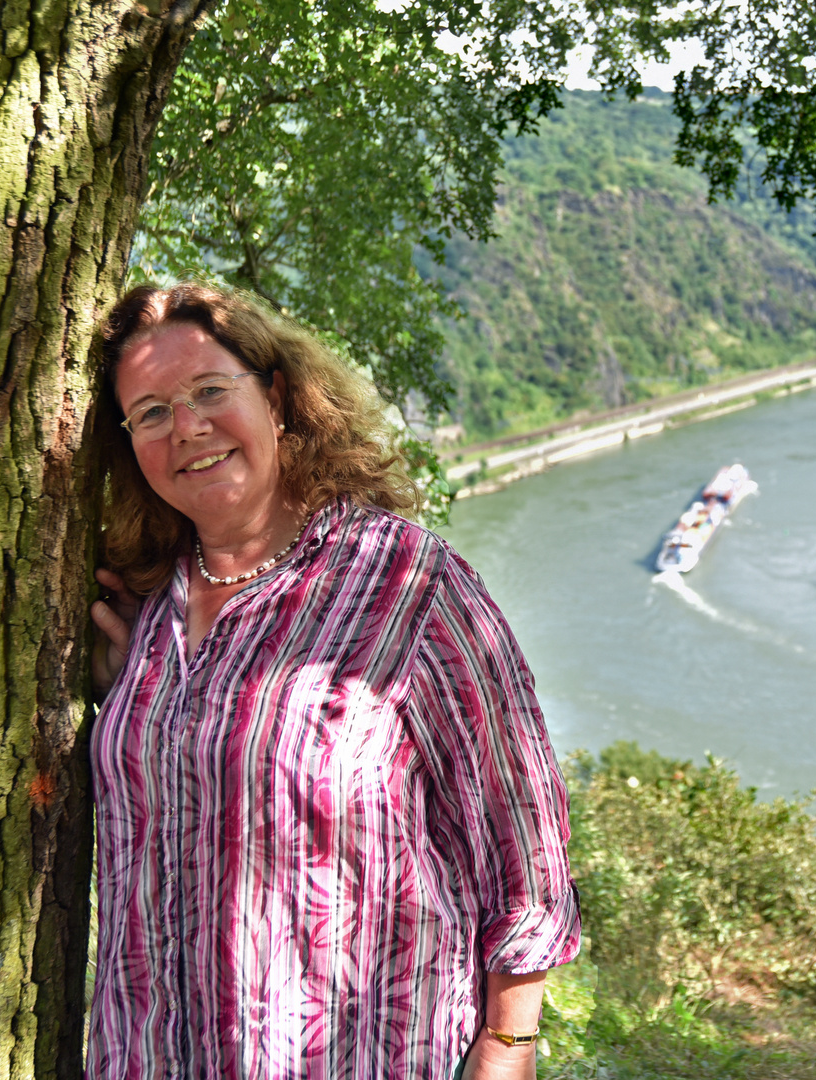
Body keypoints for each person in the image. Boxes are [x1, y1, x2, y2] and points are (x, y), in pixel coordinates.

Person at [86, 283, 580, 1080]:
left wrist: (509, 1045)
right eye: (150, 413)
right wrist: (129, 706)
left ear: (275, 396)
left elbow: (520, 837)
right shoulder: (143, 608)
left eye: (211, 390)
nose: (187, 427)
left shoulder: (409, 583)